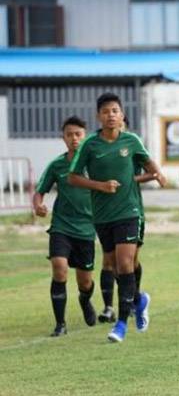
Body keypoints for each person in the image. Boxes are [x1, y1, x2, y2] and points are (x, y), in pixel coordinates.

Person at [69, 93, 166, 343]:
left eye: (115, 110)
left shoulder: (131, 140)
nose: (110, 115)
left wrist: (158, 174)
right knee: (111, 264)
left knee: (125, 263)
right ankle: (138, 299)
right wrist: (100, 186)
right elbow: (73, 178)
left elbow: (149, 164)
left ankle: (121, 324)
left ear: (122, 115)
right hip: (102, 215)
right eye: (105, 111)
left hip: (129, 211)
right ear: (98, 116)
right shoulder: (90, 145)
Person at [33, 116, 97, 337]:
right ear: (63, 138)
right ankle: (60, 324)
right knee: (59, 269)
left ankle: (85, 299)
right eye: (69, 134)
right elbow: (40, 190)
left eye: (78, 134)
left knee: (85, 281)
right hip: (61, 226)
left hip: (87, 229)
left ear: (85, 136)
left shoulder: (93, 164)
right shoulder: (57, 164)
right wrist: (38, 205)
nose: (74, 138)